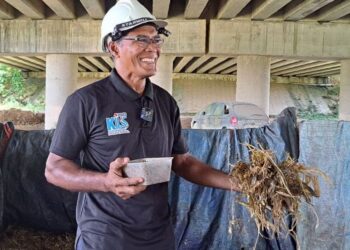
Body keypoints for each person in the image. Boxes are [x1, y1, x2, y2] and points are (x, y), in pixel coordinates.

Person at [45, 0, 240, 249]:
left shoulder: (165, 102)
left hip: (158, 235)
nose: (153, 48)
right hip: (105, 237)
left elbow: (182, 162)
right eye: (141, 39)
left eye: (156, 39)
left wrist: (237, 183)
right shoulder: (85, 102)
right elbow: (54, 169)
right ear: (113, 47)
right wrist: (106, 181)